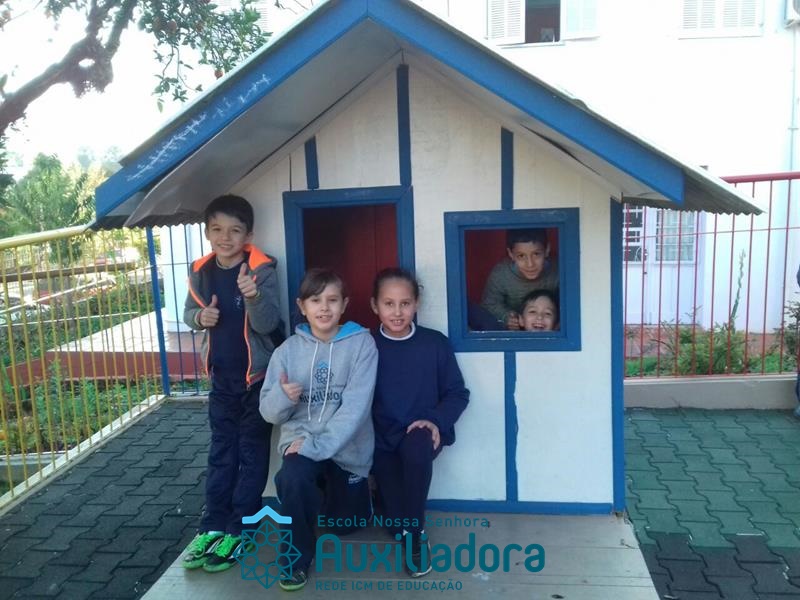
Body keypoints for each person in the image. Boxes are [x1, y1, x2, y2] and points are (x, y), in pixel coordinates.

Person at [260, 268, 378, 591]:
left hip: (347, 448)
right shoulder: (286, 352)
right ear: (302, 306)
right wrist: (283, 398)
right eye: (315, 300)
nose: (324, 308)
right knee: (292, 477)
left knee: (344, 526)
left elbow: (355, 410)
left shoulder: (362, 344)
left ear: (344, 304)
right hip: (302, 441)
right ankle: (295, 561)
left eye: (332, 300)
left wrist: (317, 447)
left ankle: (354, 497)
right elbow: (268, 413)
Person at [180, 195, 281, 573]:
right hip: (221, 380)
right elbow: (190, 312)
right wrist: (199, 318)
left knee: (251, 454)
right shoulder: (201, 272)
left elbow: (269, 323)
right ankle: (212, 526)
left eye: (235, 230)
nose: (225, 237)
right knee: (222, 454)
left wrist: (252, 295)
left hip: (257, 382)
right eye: (217, 229)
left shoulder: (261, 270)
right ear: (207, 233)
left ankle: (241, 528)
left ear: (248, 235)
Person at [369, 268, 470, 578]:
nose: (397, 312)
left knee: (416, 448)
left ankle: (416, 536)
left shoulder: (434, 343)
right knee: (394, 524)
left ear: (416, 304)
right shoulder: (366, 345)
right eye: (389, 304)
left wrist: (435, 419)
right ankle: (394, 513)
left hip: (421, 434)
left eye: (405, 303)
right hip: (381, 439)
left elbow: (457, 393)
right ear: (375, 305)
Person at [480, 228, 559, 330]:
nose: (530, 264)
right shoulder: (501, 274)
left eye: (536, 254)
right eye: (521, 256)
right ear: (511, 254)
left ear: (547, 250)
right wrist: (506, 317)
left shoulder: (559, 270)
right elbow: (488, 304)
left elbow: (571, 304)